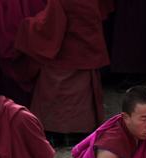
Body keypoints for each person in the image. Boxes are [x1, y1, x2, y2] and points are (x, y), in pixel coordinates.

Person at [13, 0, 111, 145]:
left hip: (63, 52)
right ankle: (76, 134)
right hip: (87, 47)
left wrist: (27, 25)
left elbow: (49, 26)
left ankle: (56, 134)